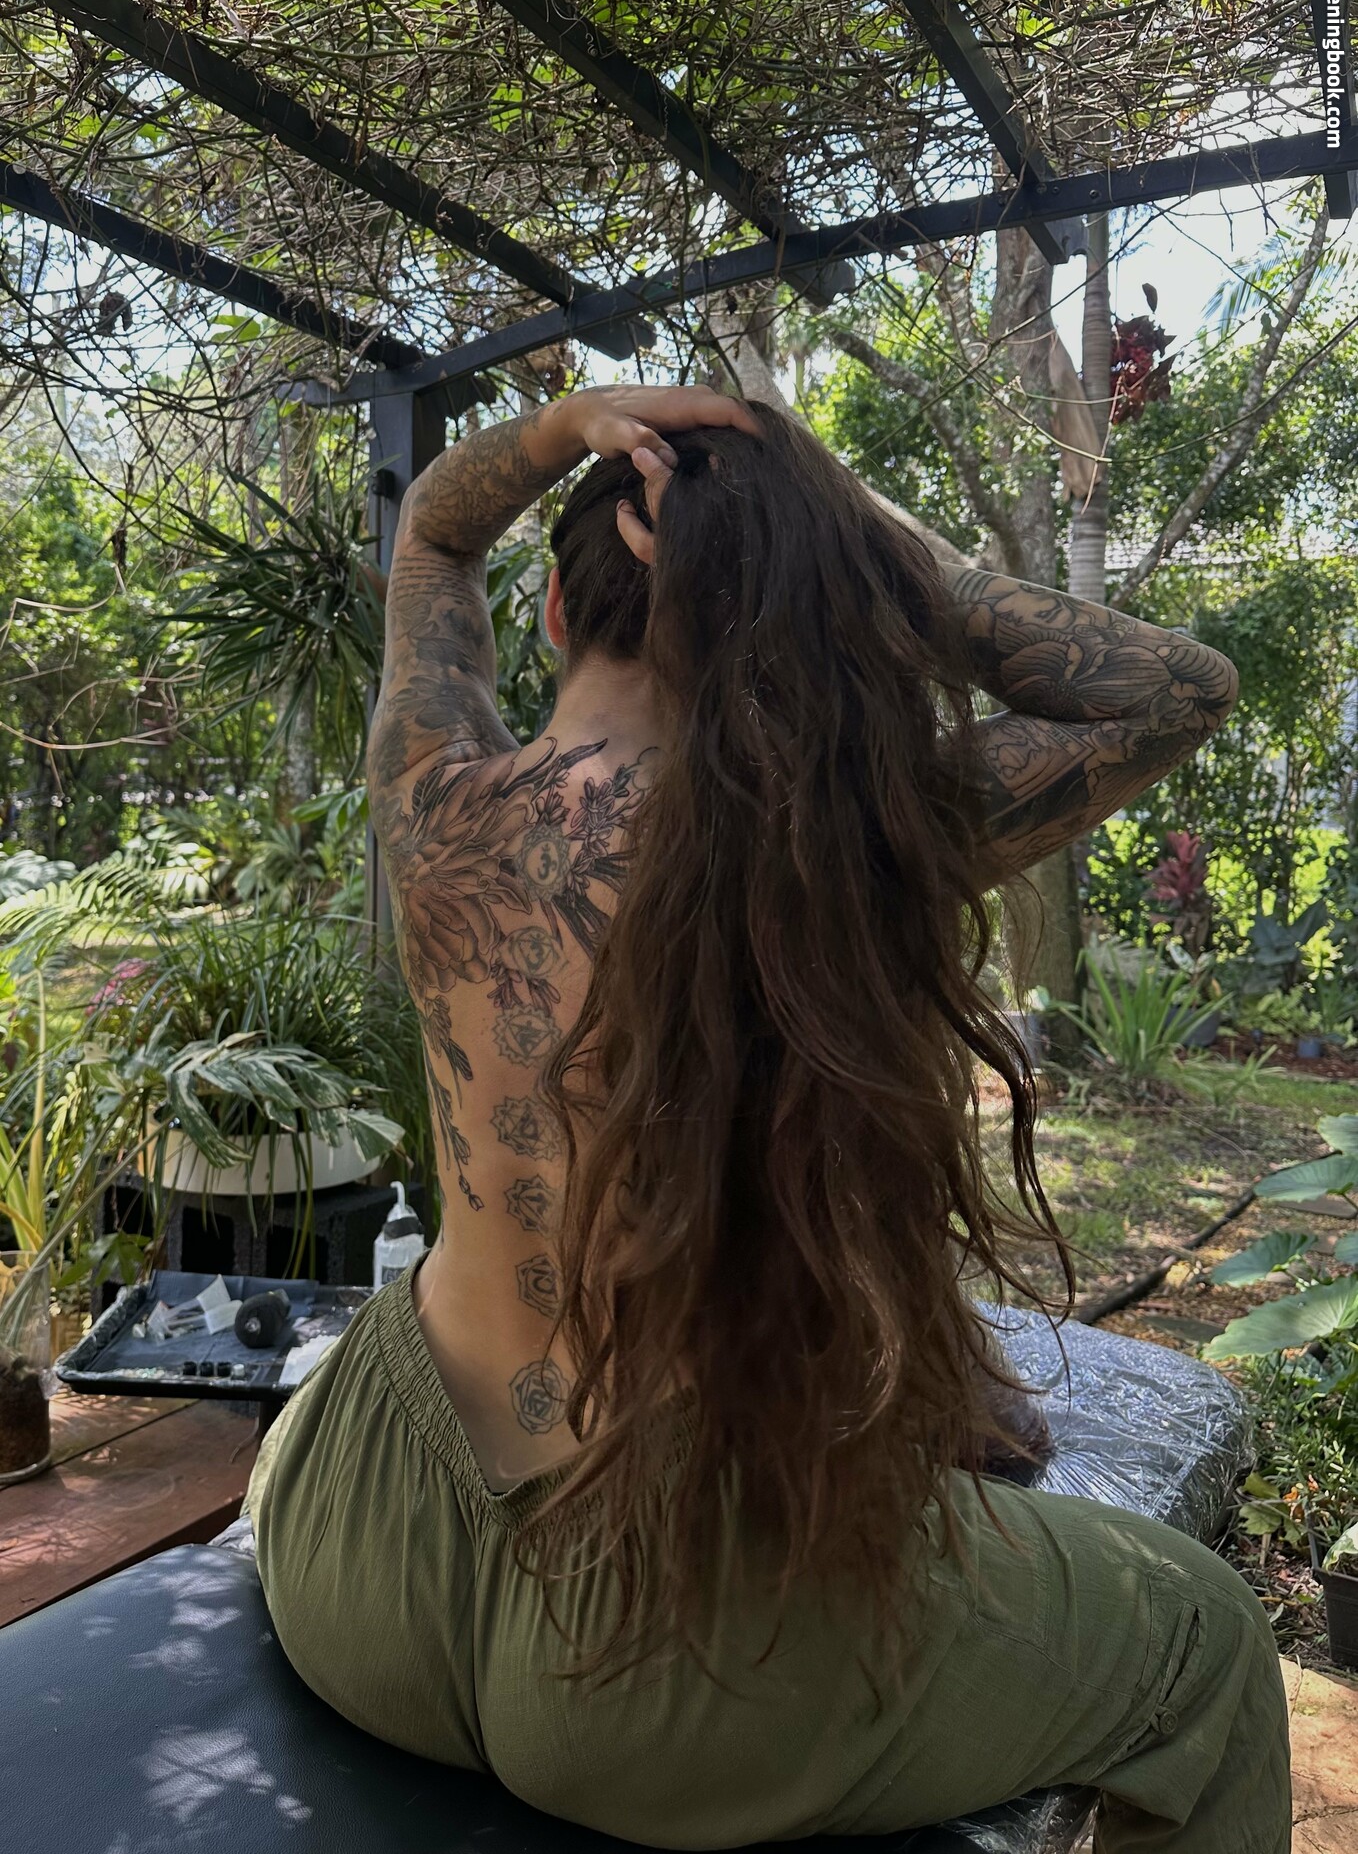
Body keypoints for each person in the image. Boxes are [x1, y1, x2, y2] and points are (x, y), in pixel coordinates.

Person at [248, 386, 1289, 1853]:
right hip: (660, 1654)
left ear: (555, 612)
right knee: (1211, 1646)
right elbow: (1175, 688)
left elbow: (432, 538)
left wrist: (565, 427)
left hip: (356, 1552)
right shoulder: (846, 845)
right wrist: (844, 541)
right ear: (791, 621)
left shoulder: (434, 802)